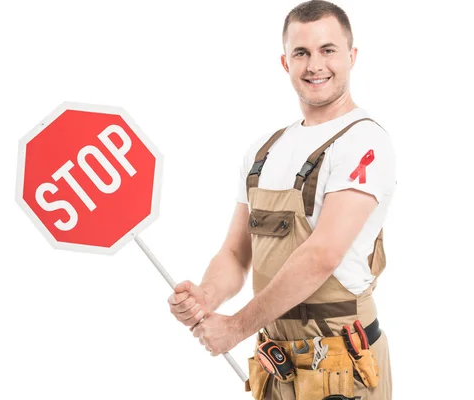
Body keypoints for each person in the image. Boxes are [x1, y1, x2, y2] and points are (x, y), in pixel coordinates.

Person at [167, 1, 396, 399]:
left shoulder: (364, 141)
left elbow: (322, 255)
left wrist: (236, 327)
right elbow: (237, 255)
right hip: (277, 367)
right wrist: (206, 296)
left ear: (352, 56)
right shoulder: (263, 151)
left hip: (342, 364)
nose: (315, 65)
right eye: (301, 53)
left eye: (328, 50)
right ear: (284, 62)